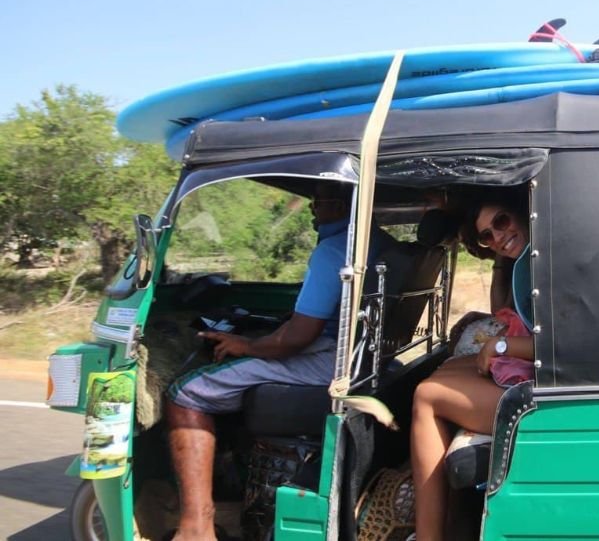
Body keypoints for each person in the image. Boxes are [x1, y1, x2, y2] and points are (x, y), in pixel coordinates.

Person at [164, 181, 396, 541]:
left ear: (339, 203)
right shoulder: (380, 242)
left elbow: (299, 336)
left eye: (317, 202)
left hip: (328, 360)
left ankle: (197, 526)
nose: (313, 210)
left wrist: (247, 345)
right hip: (362, 357)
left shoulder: (335, 249)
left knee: (186, 392)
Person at [410, 196, 534, 541]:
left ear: (525, 212)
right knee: (447, 373)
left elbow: (564, 344)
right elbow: (503, 313)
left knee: (427, 396)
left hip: (551, 393)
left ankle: (428, 536)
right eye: (486, 236)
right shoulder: (529, 260)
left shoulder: (551, 260)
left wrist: (501, 345)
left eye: (502, 221)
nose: (498, 235)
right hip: (538, 376)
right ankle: (449, 522)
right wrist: (500, 258)